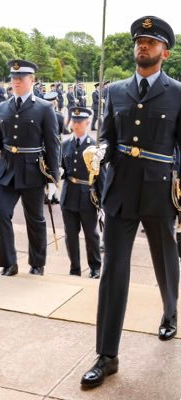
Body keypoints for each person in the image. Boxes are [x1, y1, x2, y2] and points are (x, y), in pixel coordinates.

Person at [81, 16, 181, 389]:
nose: (143, 46)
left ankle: (170, 310)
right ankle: (107, 355)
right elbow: (108, 136)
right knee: (113, 270)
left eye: (151, 42)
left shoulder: (177, 93)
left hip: (159, 192)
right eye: (139, 40)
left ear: (164, 52)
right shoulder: (117, 91)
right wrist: (99, 152)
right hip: (120, 190)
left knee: (165, 259)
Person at [0, 59, 60, 277]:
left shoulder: (44, 108)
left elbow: (53, 144)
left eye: (20, 78)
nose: (16, 82)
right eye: (13, 78)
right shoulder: (3, 106)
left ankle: (37, 263)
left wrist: (54, 179)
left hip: (32, 171)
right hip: (6, 170)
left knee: (35, 219)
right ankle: (9, 262)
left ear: (32, 80)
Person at [60, 107, 103, 279]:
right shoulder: (64, 145)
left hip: (88, 195)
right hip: (69, 194)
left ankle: (95, 267)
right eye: (74, 121)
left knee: (91, 234)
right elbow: (62, 168)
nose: (76, 124)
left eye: (80, 122)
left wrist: (102, 200)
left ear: (87, 123)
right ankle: (74, 268)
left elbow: (101, 176)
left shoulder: (94, 147)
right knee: (70, 235)